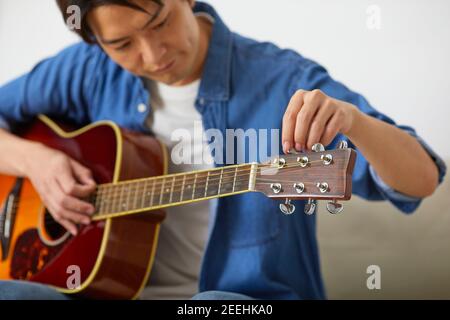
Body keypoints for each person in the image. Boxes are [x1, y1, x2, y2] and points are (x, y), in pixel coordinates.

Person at [0, 0, 446, 300]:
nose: (153, 55)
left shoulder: (284, 80)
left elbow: (422, 179)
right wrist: (36, 161)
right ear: (95, 41)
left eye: (160, 22)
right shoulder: (87, 70)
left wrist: (354, 121)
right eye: (122, 44)